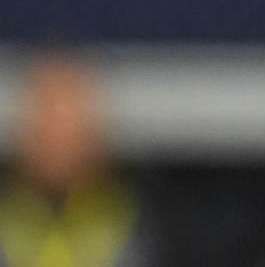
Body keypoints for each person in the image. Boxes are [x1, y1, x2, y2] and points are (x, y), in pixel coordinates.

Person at [0, 49, 159, 267]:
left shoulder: (137, 223)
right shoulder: (8, 218)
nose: (58, 135)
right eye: (47, 117)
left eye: (70, 120)